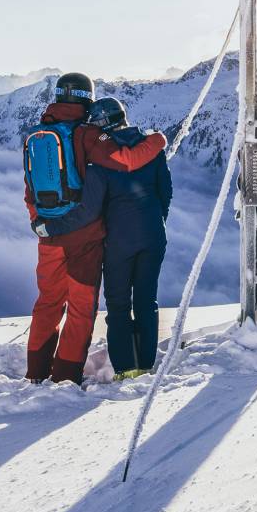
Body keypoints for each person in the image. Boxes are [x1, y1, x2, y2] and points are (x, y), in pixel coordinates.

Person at [23, 72, 166, 385]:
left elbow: (30, 188)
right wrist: (157, 141)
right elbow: (126, 160)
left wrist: (41, 223)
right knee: (80, 308)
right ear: (87, 98)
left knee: (47, 303)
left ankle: (35, 373)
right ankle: (63, 377)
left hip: (48, 234)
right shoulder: (88, 135)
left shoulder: (38, 134)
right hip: (83, 238)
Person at [85, 97, 171, 379]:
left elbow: (94, 207)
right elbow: (165, 193)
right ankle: (146, 363)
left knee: (119, 304)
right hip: (153, 235)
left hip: (118, 242)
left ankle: (126, 368)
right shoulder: (152, 150)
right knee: (147, 300)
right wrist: (156, 222)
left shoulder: (102, 160)